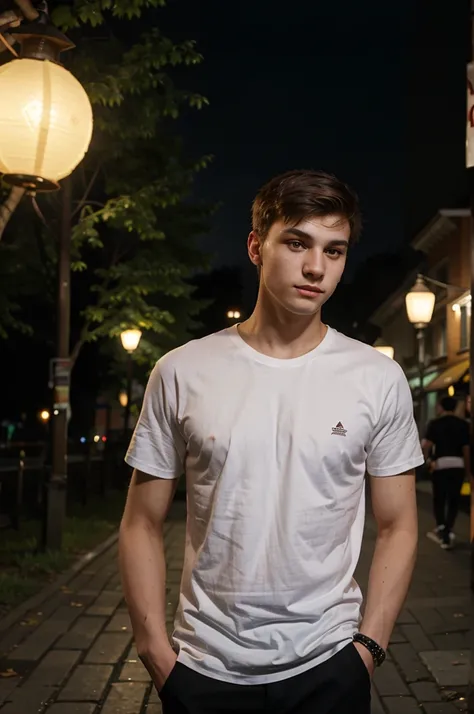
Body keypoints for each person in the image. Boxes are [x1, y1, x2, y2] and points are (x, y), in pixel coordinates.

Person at [119, 170, 424, 714]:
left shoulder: (376, 378)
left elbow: (398, 524)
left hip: (329, 663)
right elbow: (141, 521)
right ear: (257, 247)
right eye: (297, 242)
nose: (316, 268)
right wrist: (155, 652)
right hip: (201, 667)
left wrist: (369, 647)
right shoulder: (182, 371)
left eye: (335, 250)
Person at [422, 395, 470, 550]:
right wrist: (468, 471)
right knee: (454, 500)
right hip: (458, 465)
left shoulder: (435, 424)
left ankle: (442, 526)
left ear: (441, 407)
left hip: (441, 465)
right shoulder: (463, 424)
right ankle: (448, 528)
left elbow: (427, 445)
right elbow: (466, 449)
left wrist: (426, 461)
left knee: (439, 498)